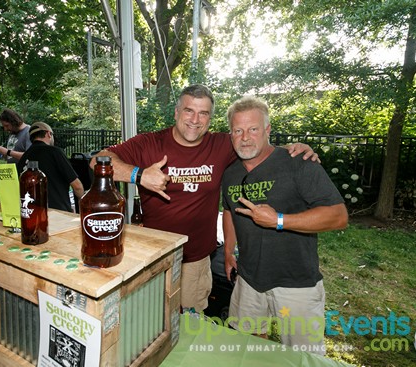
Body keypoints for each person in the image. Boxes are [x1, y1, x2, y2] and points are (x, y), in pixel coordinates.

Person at [90, 84, 317, 313]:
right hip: (155, 256)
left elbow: (257, 147)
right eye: (189, 110)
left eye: (203, 113)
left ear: (210, 118)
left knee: (191, 321)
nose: (195, 119)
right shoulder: (149, 143)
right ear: (177, 113)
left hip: (195, 259)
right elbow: (97, 160)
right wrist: (138, 175)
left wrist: (294, 149)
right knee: (151, 321)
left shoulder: (221, 145)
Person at [221, 96, 348, 355]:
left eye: (253, 129)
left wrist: (279, 220)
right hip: (249, 279)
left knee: (305, 356)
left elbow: (338, 216)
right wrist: (228, 252)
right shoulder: (230, 174)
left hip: (295, 283)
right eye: (238, 130)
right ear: (230, 134)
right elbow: (229, 211)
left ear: (267, 130)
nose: (245, 137)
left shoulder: (297, 162)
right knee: (250, 348)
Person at [17, 122, 84, 212]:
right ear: (49, 134)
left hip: (32, 211)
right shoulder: (55, 152)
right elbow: (77, 186)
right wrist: (82, 201)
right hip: (58, 211)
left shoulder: (24, 157)